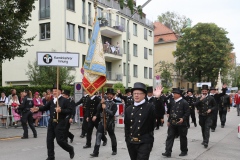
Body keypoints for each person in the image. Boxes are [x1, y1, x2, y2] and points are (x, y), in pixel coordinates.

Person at [31, 84, 74, 160]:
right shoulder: (52, 101)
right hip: (51, 122)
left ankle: (70, 149)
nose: (54, 92)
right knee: (49, 140)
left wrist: (61, 110)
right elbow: (45, 107)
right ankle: (51, 157)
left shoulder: (65, 101)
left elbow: (70, 110)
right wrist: (37, 108)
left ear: (60, 91)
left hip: (60, 122)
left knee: (60, 140)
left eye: (56, 91)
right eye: (53, 91)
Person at [125, 82, 160, 160]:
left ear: (144, 95)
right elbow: (127, 126)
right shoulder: (129, 109)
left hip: (145, 141)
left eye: (139, 93)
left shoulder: (149, 107)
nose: (136, 95)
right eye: (134, 93)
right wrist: (127, 140)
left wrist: (157, 98)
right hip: (131, 142)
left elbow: (158, 113)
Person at [162, 88, 190, 158]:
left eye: (174, 94)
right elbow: (171, 112)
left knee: (182, 137)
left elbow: (187, 112)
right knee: (170, 137)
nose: (173, 95)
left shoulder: (184, 102)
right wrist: (169, 120)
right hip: (172, 123)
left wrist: (183, 118)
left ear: (179, 95)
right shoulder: (172, 102)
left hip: (181, 123)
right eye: (173, 94)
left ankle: (184, 150)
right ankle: (168, 151)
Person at [90, 88, 118, 157]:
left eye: (111, 94)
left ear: (113, 96)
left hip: (110, 122)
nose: (109, 95)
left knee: (112, 136)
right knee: (98, 135)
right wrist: (100, 103)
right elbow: (98, 109)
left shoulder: (114, 104)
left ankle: (114, 150)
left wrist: (105, 108)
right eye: (108, 94)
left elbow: (112, 113)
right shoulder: (103, 101)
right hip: (102, 121)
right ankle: (95, 152)